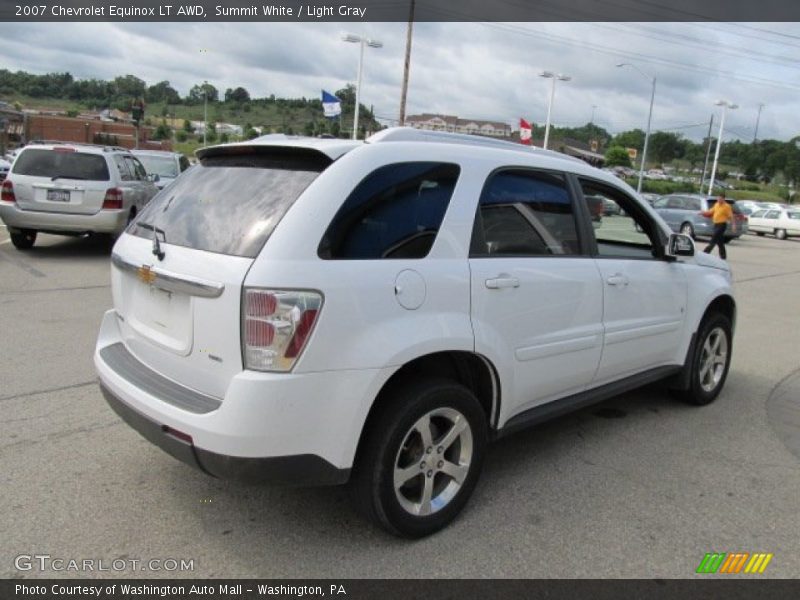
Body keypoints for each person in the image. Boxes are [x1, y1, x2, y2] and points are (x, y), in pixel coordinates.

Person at [700, 192, 733, 259]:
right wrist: (703, 213)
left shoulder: (727, 206)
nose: (719, 200)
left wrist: (733, 224)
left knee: (714, 238)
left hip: (722, 225)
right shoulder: (716, 204)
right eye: (718, 198)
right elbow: (711, 211)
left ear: (723, 199)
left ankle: (705, 253)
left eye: (720, 199)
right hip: (716, 224)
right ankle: (723, 256)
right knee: (720, 242)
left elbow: (730, 216)